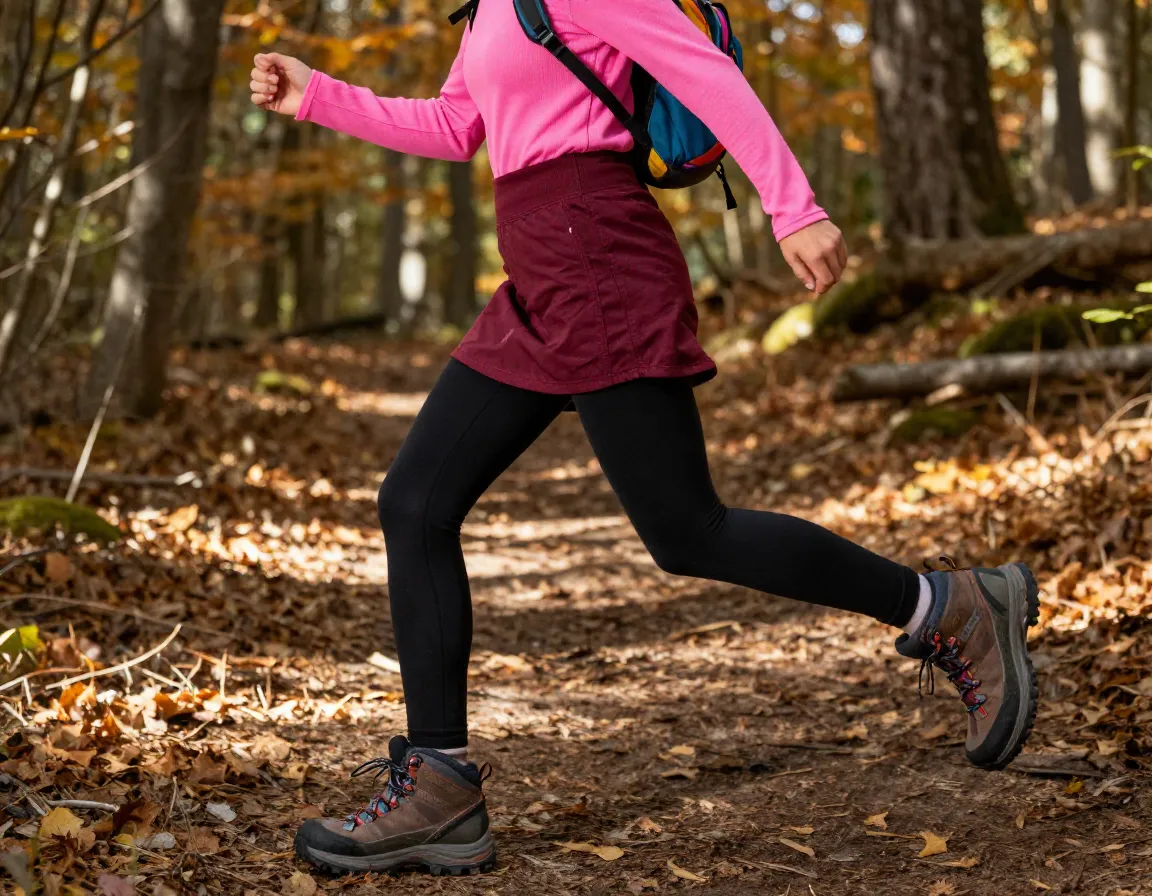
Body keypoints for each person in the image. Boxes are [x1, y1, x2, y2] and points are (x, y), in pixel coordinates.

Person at [249, 0, 1040, 877]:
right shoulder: (487, 11)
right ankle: (440, 785)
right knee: (415, 502)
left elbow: (703, 69)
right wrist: (315, 94)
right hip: (540, 273)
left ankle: (946, 606)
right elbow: (455, 125)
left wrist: (794, 207)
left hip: (600, 258)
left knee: (687, 531)